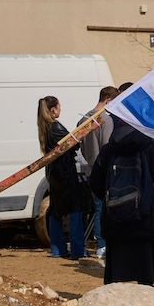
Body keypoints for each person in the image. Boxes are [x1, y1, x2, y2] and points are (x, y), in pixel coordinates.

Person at [88, 114, 154, 286]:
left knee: (119, 283)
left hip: (117, 222)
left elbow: (95, 182)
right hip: (151, 221)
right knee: (150, 283)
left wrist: (115, 199)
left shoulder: (109, 149)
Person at [37, 96, 89, 260]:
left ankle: (57, 248)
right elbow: (73, 143)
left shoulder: (44, 128)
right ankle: (78, 249)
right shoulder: (55, 126)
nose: (60, 110)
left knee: (57, 210)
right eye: (59, 107)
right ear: (53, 109)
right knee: (75, 209)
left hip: (53, 173)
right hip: (65, 172)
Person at [79, 85, 119, 259]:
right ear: (108, 100)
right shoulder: (106, 120)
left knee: (97, 208)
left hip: (90, 169)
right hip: (104, 171)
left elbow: (81, 145)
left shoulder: (84, 119)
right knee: (104, 209)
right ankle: (103, 245)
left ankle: (101, 245)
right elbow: (107, 147)